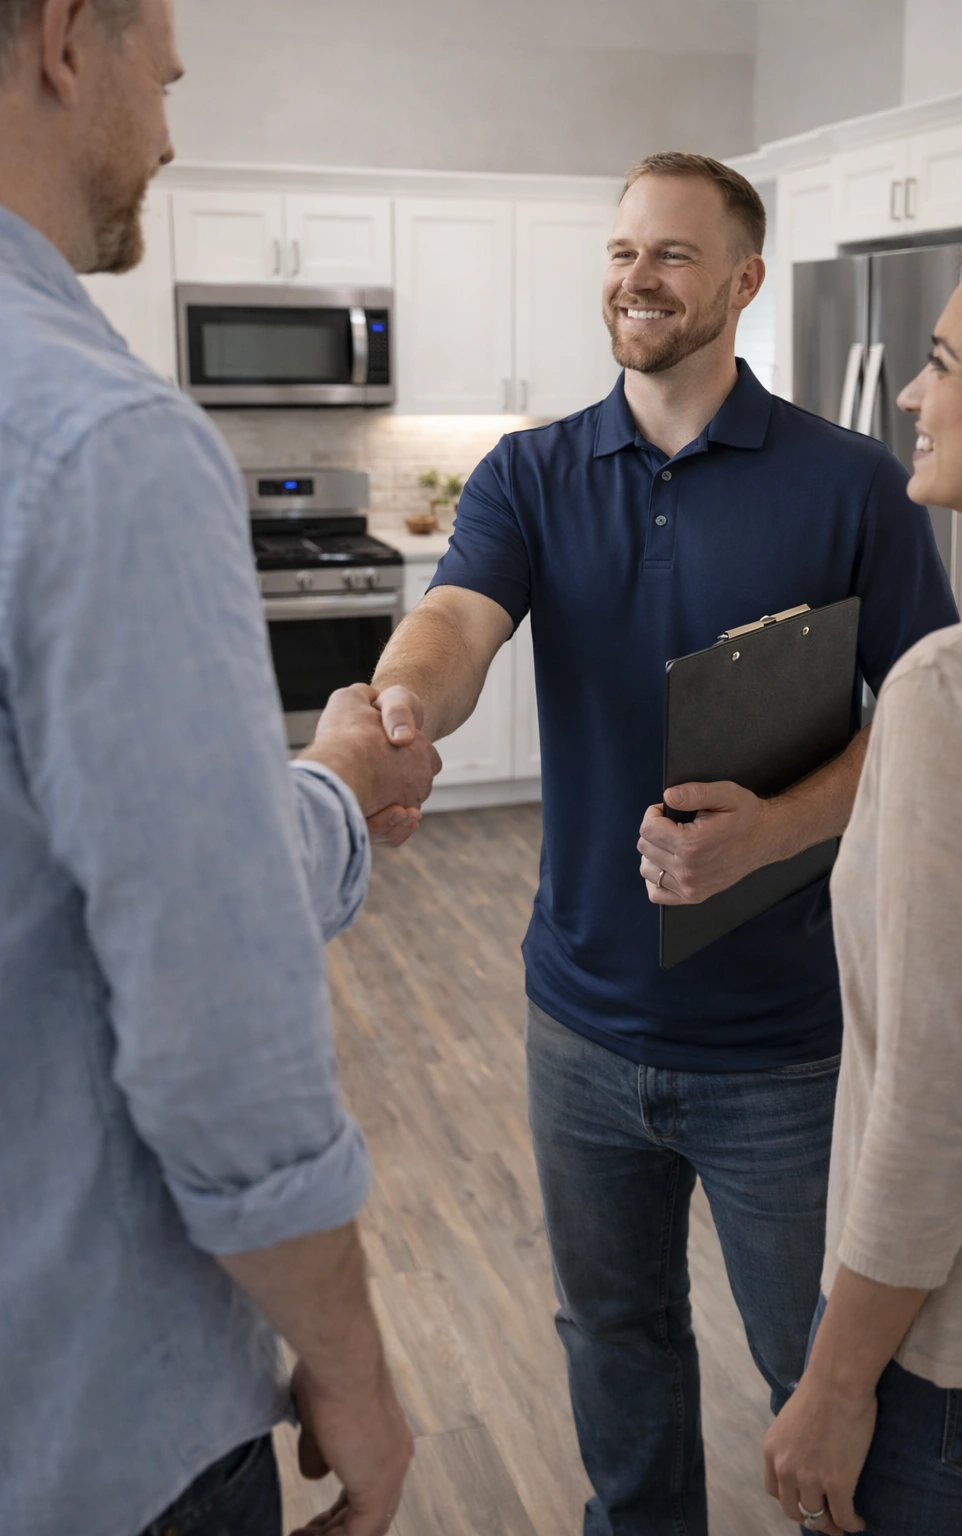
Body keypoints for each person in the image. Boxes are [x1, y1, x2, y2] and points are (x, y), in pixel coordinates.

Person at [368, 150, 959, 1535]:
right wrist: (399, 703)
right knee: (613, 1342)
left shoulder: (852, 482)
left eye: (673, 254)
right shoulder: (532, 473)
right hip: (579, 1023)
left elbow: (928, 721)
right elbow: (456, 622)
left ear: (744, 282)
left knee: (816, 1382)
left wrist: (779, 831)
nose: (637, 278)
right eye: (623, 250)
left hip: (785, 1045)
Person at [0, 2, 440, 1534]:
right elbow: (218, 1031)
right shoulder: (99, 440)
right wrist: (356, 1376)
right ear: (69, 40)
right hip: (94, 1432)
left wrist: (320, 793)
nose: (172, 138)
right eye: (165, 79)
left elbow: (68, 864)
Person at [762, 228, 962, 1536]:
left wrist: (834, 1379)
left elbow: (937, 1093)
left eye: (941, 361)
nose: (910, 395)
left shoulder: (957, 690)